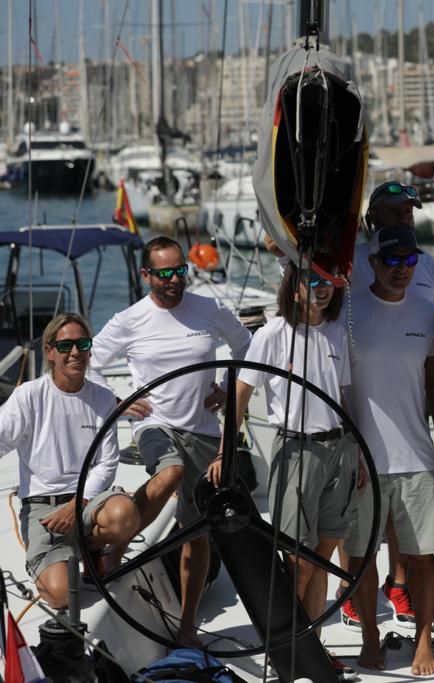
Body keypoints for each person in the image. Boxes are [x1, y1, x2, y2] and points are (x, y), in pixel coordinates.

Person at [87, 236, 251, 644]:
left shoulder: (209, 309)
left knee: (195, 530)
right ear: (146, 275)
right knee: (170, 472)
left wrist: (229, 388)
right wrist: (121, 401)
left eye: (180, 271)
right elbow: (88, 364)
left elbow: (247, 347)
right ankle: (110, 549)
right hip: (154, 425)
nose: (175, 279)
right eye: (165, 273)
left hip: (204, 429)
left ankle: (186, 626)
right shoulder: (129, 319)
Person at [207, 254, 358, 663]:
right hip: (297, 450)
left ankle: (314, 649)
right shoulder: (273, 333)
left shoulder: (336, 333)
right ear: (293, 285)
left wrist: (357, 454)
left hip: (339, 449)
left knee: (322, 556)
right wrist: (226, 452)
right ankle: (293, 651)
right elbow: (240, 395)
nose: (323, 286)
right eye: (313, 278)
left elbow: (345, 398)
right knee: (298, 560)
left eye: (330, 278)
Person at [343, 225, 434, 676]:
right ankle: (370, 639)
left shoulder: (428, 314)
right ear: (372, 263)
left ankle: (424, 642)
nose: (401, 269)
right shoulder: (347, 312)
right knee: (362, 558)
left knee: (423, 556)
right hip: (363, 458)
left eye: (409, 261)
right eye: (391, 261)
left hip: (417, 456)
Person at [2, 314, 139, 609]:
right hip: (43, 509)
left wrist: (79, 502)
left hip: (88, 502)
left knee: (125, 514)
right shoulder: (28, 396)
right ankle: (61, 556)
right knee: (60, 597)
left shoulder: (103, 398)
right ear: (50, 352)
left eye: (82, 344)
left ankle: (90, 549)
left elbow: (106, 462)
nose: (75, 352)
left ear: (90, 350)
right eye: (65, 346)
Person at [348, 181, 434, 305]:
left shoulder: (427, 261)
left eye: (407, 211)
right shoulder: (351, 260)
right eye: (393, 211)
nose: (403, 218)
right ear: (373, 214)